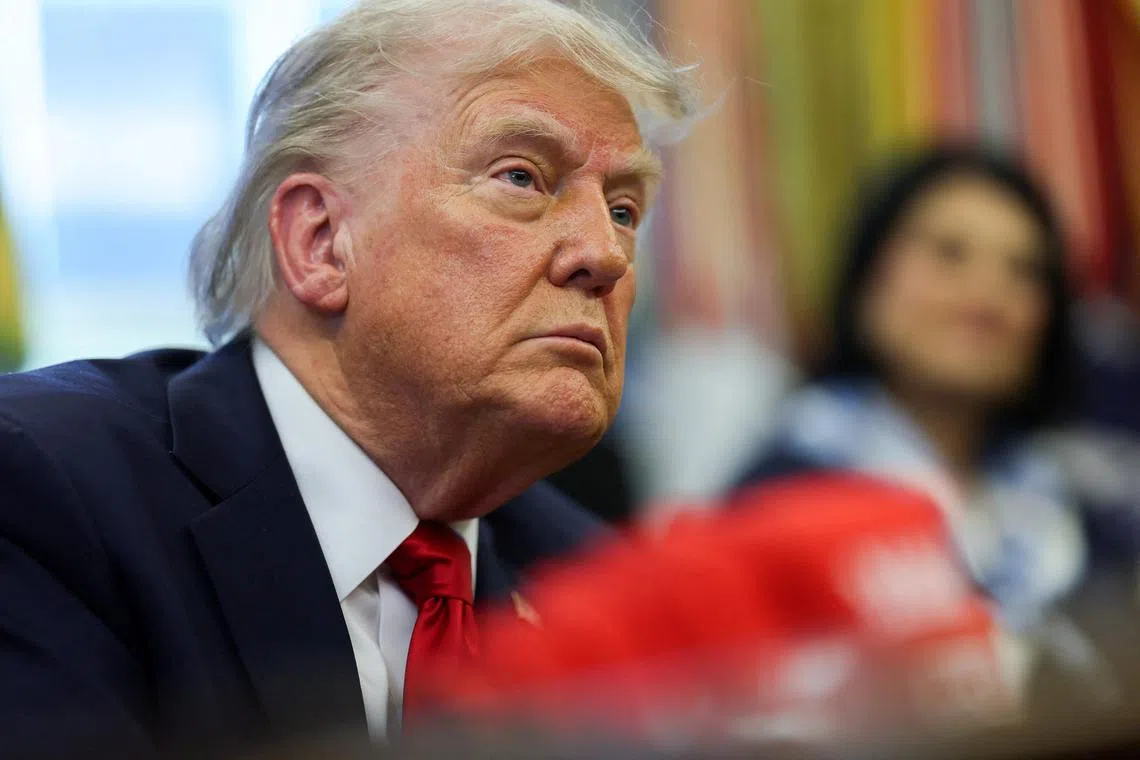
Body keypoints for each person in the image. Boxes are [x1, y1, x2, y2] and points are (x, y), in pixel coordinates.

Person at [0, 1, 697, 756]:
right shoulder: (46, 490)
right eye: (522, 176)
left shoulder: (590, 579)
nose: (607, 254)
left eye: (625, 210)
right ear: (322, 243)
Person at [733, 144, 1094, 698]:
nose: (988, 295)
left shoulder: (1086, 508)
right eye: (950, 254)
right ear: (868, 280)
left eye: (1025, 271)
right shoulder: (776, 497)